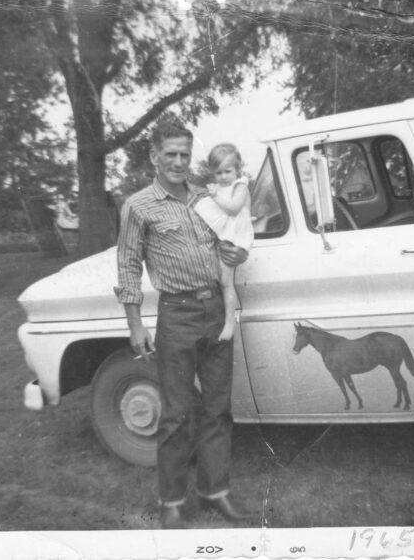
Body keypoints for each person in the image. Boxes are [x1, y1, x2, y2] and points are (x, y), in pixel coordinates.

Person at [114, 122, 252, 529]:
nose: (178, 162)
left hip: (216, 311)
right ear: (154, 157)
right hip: (176, 315)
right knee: (175, 413)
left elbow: (232, 237)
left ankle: (215, 492)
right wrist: (135, 324)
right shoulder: (139, 205)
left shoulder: (205, 197)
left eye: (183, 154)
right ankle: (172, 500)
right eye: (170, 154)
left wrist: (236, 255)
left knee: (218, 407)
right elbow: (127, 265)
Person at [194, 143, 254, 341]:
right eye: (218, 173)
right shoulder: (220, 189)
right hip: (223, 235)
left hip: (234, 238)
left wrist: (215, 196)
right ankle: (217, 320)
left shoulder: (240, 186)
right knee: (218, 280)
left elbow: (234, 209)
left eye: (228, 171)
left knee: (226, 282)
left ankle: (229, 323)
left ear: (237, 170)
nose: (223, 177)